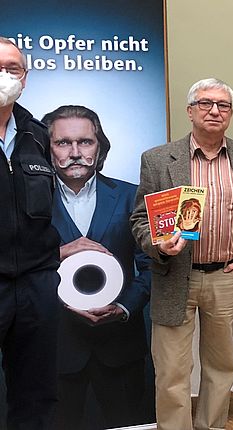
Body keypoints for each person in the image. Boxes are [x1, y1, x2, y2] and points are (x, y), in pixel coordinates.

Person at [130, 78, 233, 430]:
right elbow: (139, 220)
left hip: (226, 277)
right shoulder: (158, 159)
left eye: (223, 105)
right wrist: (158, 244)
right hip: (174, 277)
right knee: (172, 372)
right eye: (206, 103)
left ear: (231, 113)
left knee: (220, 368)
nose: (215, 110)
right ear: (190, 110)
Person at [43, 105, 152, 429]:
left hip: (120, 345)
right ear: (47, 148)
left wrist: (122, 307)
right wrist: (59, 251)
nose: (75, 152)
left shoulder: (132, 196)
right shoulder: (28, 201)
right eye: (63, 143)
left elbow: (150, 268)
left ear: (100, 146)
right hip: (54, 346)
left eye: (85, 142)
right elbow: (14, 264)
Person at [0, 37, 62, 429]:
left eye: (13, 69)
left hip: (36, 286)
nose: (5, 76)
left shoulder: (37, 134)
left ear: (26, 78)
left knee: (36, 393)